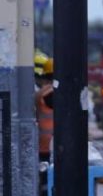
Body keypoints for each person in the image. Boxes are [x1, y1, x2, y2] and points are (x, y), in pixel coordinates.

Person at [35, 55, 54, 194]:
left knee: (45, 182)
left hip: (43, 146)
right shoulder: (51, 93)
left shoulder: (41, 92)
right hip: (51, 146)